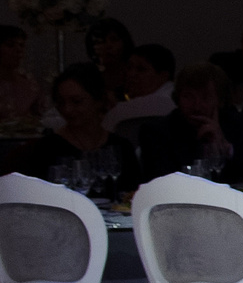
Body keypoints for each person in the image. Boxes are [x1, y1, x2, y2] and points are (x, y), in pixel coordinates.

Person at [139, 62, 243, 183]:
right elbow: (161, 181)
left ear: (220, 99)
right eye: (188, 97)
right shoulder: (156, 132)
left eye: (205, 97)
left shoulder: (240, 125)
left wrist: (227, 148)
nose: (196, 105)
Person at [21, 63, 144, 196]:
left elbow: (135, 195)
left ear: (98, 101)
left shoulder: (121, 147)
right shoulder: (47, 149)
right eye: (61, 102)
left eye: (76, 101)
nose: (67, 109)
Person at [104, 43, 177, 129]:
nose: (131, 74)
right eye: (129, 67)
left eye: (141, 69)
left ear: (163, 76)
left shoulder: (169, 101)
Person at [83, 16, 134, 101]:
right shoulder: (89, 79)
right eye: (100, 42)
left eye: (114, 39)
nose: (108, 46)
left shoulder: (136, 74)